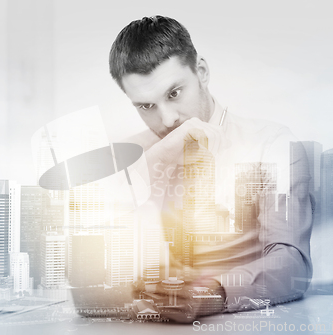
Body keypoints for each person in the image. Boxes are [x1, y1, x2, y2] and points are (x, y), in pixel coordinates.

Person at [108, 15, 313, 321]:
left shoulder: (271, 145)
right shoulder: (129, 159)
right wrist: (159, 157)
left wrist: (211, 293)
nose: (166, 120)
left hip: (243, 321)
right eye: (146, 106)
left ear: (201, 71)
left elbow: (292, 261)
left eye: (174, 93)